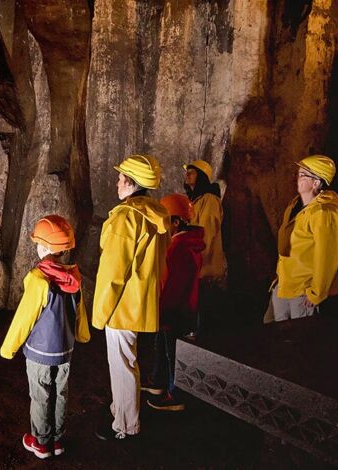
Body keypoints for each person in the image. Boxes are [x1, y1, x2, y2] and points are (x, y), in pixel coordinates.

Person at [92, 155, 170, 440]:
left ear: (129, 182)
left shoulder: (126, 217)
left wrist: (100, 313)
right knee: (128, 361)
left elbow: (112, 273)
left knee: (123, 365)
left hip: (121, 305)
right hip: (141, 301)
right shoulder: (156, 213)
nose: (116, 182)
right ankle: (120, 410)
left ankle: (125, 426)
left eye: (120, 178)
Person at [0, 215, 90, 459]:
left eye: (39, 243)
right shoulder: (74, 277)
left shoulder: (39, 280)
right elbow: (79, 311)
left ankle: (40, 442)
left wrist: (8, 348)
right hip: (65, 350)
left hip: (40, 352)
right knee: (60, 393)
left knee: (41, 395)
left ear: (44, 248)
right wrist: (82, 336)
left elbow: (24, 318)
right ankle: (57, 440)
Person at [264, 155, 338, 322]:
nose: (297, 178)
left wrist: (316, 293)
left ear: (316, 183)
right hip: (285, 283)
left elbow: (328, 256)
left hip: (303, 289)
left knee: (298, 341)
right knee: (275, 334)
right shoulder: (294, 206)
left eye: (302, 175)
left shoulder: (324, 212)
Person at [146, 194, 205, 412]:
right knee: (164, 348)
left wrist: (162, 311)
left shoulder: (180, 248)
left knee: (173, 352)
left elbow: (175, 286)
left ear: (176, 221)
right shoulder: (183, 244)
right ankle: (161, 383)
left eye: (165, 220)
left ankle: (175, 394)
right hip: (178, 309)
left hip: (175, 311)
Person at [182, 160, 226, 338]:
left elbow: (206, 231)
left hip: (204, 265)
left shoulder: (209, 200)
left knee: (203, 304)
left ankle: (202, 338)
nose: (187, 175)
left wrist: (197, 256)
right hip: (195, 262)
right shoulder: (196, 200)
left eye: (191, 172)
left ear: (201, 177)